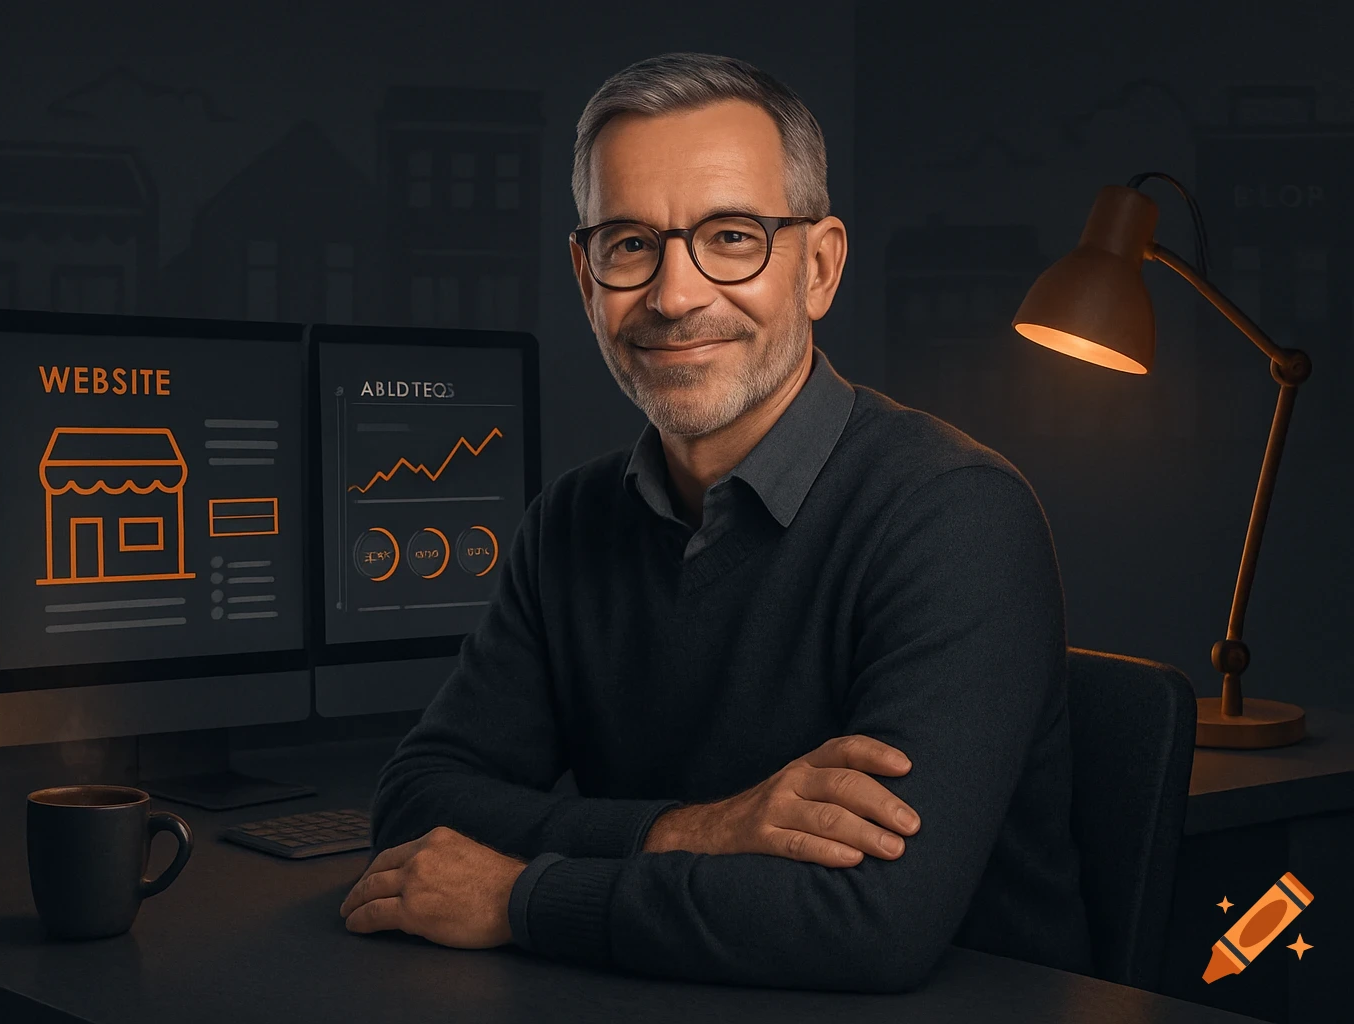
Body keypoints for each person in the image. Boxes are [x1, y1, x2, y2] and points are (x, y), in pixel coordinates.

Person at [339, 52, 1093, 992]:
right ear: (586, 278)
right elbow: (416, 810)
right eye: (628, 244)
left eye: (732, 236)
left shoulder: (954, 516)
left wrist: (518, 898)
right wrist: (696, 831)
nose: (675, 294)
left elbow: (868, 924)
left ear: (817, 268)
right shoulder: (569, 524)